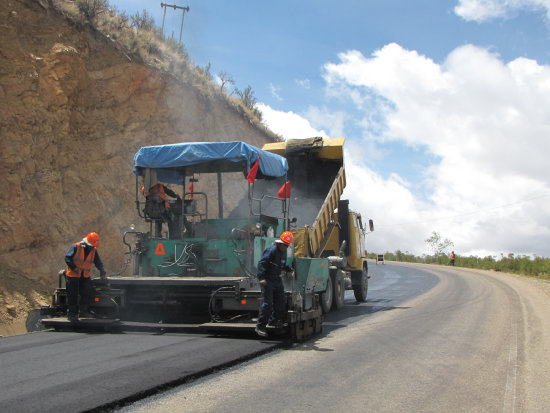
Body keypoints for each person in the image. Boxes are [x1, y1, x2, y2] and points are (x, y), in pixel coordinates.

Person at [255, 231, 294, 337]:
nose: (285, 247)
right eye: (284, 245)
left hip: (276, 279)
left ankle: (274, 320)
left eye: (287, 245)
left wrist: (288, 269)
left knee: (281, 300)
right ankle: (260, 327)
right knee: (267, 303)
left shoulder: (283, 252)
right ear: (280, 243)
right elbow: (262, 263)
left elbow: (281, 264)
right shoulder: (271, 250)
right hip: (267, 279)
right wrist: (261, 277)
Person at [64, 232, 107, 322]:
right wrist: (74, 268)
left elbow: (98, 262)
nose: (92, 246)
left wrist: (102, 272)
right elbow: (67, 258)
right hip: (73, 275)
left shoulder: (93, 250)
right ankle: (72, 314)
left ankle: (83, 311)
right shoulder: (76, 246)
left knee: (87, 292)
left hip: (85, 275)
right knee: (73, 296)